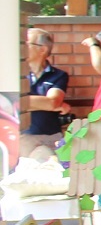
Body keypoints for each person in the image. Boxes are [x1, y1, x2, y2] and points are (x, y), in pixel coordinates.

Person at [21, 28, 70, 157]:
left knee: (49, 174)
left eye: (27, 43)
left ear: (42, 49)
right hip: (22, 138)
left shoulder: (58, 75)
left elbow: (52, 102)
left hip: (50, 138)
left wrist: (19, 101)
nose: (22, 47)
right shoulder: (15, 74)